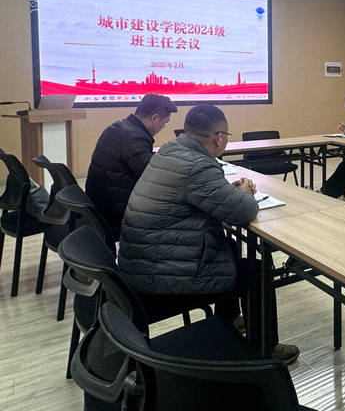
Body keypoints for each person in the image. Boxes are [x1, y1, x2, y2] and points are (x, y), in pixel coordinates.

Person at [117, 104, 298, 363]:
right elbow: (243, 212)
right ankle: (265, 351)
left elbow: (199, 193)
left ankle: (228, 320)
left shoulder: (171, 150)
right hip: (162, 273)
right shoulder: (198, 166)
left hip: (143, 260)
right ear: (219, 138)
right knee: (257, 272)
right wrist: (244, 194)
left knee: (229, 246)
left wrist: (230, 191)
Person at [86, 93, 177, 240]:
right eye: (165, 123)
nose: (163, 127)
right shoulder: (134, 137)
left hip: (101, 201)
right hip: (114, 211)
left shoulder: (120, 126)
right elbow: (152, 177)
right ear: (154, 118)